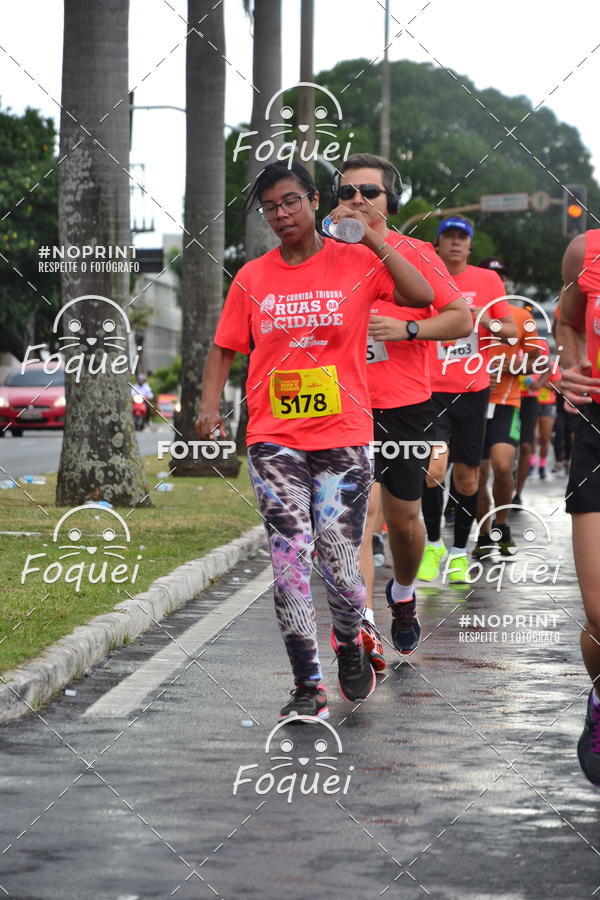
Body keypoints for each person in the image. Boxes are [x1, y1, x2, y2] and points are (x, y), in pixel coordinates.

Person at [196, 161, 434, 721]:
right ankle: (307, 684)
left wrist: (372, 235)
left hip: (344, 436)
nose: (282, 215)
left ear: (313, 199)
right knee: (288, 560)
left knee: (339, 562)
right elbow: (223, 348)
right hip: (274, 437)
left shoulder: (355, 262)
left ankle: (350, 641)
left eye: (291, 202)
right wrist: (210, 408)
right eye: (270, 207)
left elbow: (421, 295)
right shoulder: (252, 277)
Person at [334, 154, 471, 668]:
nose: (358, 200)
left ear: (391, 200)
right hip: (344, 404)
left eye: (370, 191)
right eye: (348, 192)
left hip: (407, 406)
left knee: (405, 520)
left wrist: (409, 329)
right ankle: (363, 626)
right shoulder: (326, 255)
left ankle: (404, 591)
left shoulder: (415, 253)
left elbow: (459, 319)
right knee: (359, 518)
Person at [418, 218, 516, 584]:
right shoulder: (424, 277)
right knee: (433, 469)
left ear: (470, 246)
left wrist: (481, 320)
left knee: (467, 478)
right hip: (430, 389)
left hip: (473, 391)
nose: (456, 244)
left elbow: (510, 332)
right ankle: (432, 544)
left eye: (463, 238)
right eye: (449, 237)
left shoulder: (488, 281)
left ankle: (459, 552)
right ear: (438, 243)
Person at [557, 228, 600, 785]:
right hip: (597, 428)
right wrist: (572, 370)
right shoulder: (585, 249)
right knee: (598, 610)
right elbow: (568, 320)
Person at [471, 261, 542, 559]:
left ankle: (502, 524)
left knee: (502, 465)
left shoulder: (520, 317)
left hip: (506, 402)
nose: (495, 283)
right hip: (472, 401)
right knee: (476, 474)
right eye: (491, 278)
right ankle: (485, 532)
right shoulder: (464, 313)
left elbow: (537, 362)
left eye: (500, 278)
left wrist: (510, 365)